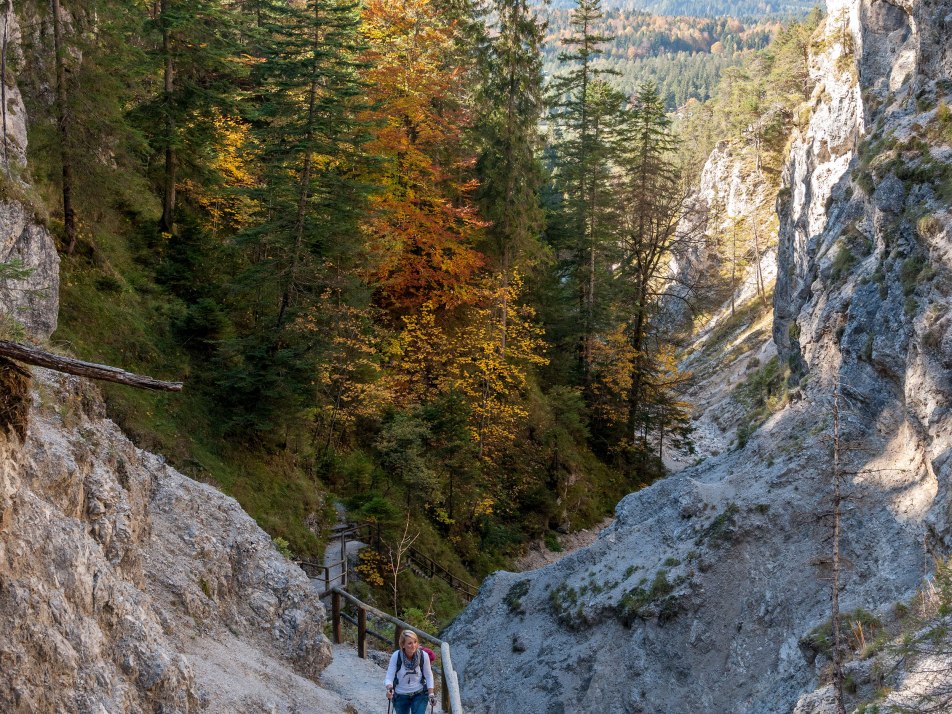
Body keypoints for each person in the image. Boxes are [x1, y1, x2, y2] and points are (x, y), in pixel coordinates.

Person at [385, 630, 436, 714]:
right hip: (400, 695)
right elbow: (389, 677)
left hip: (419, 693)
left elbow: (428, 675)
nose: (414, 646)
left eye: (415, 642)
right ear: (403, 645)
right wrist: (389, 688)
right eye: (410, 643)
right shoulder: (396, 656)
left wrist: (431, 694)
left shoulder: (423, 655)